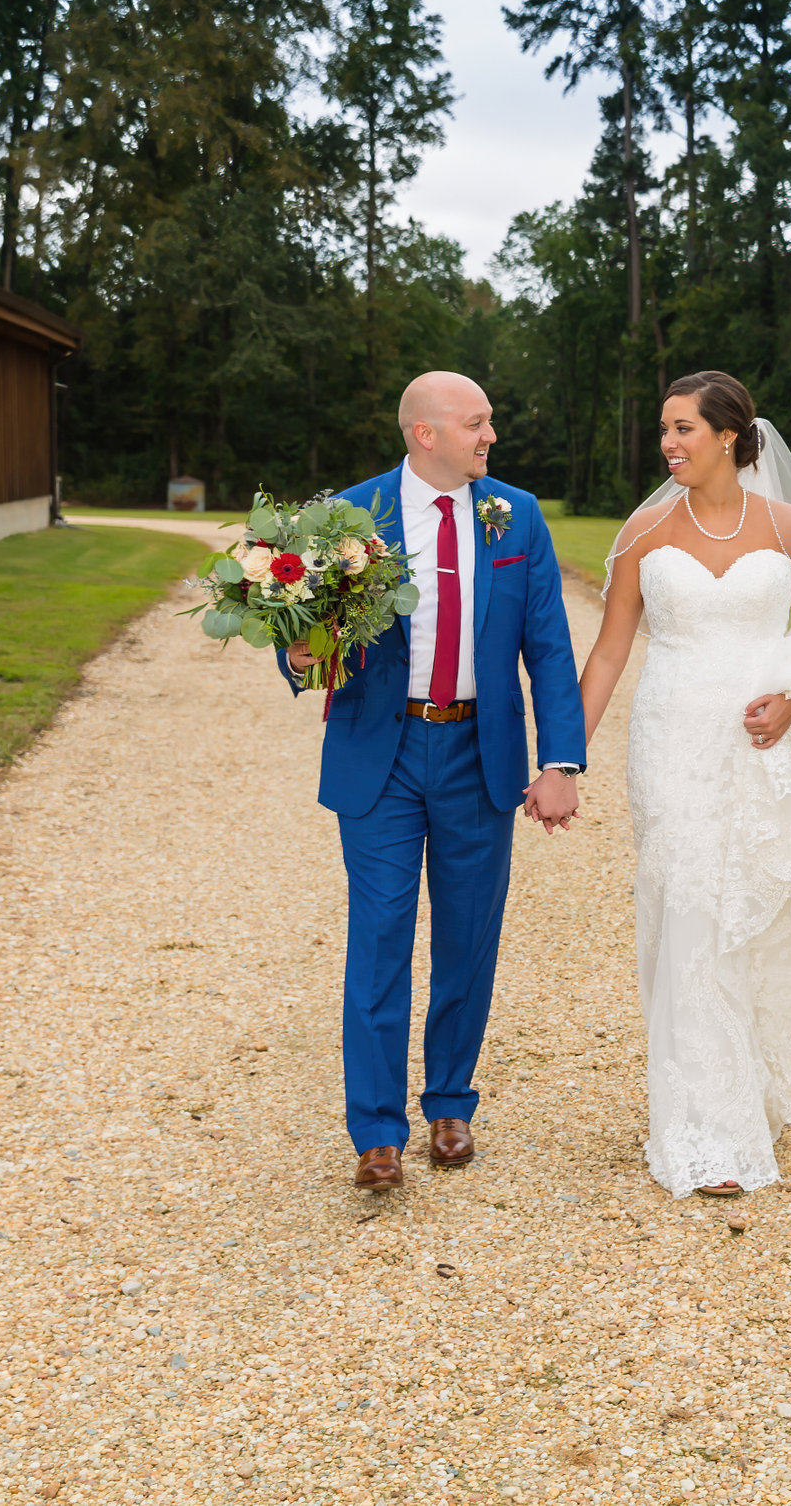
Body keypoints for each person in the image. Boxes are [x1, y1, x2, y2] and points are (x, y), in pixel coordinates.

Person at [577, 371, 791, 1198]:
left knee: (754, 913)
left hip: (762, 744)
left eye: (683, 428)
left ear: (728, 435)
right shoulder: (644, 531)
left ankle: (749, 1086)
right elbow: (611, 650)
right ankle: (701, 1125)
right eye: (664, 428)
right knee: (689, 908)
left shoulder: (784, 525)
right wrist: (560, 757)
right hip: (672, 741)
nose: (667, 443)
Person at [282, 372, 586, 1192]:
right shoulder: (348, 517)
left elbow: (548, 646)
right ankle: (376, 1131)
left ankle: (451, 1102)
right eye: (476, 423)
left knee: (466, 938)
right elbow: (301, 632)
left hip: (478, 753)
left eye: (489, 422)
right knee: (379, 937)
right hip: (378, 756)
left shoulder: (516, 515)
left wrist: (559, 761)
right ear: (426, 434)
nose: (491, 436)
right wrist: (299, 654)